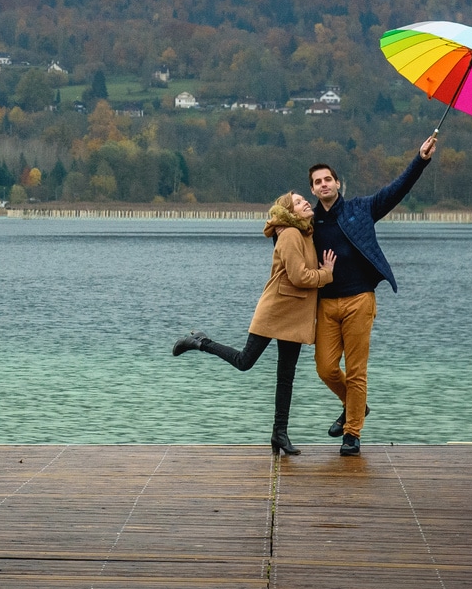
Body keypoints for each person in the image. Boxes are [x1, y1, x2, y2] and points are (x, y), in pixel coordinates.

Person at [172, 191, 336, 455]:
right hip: (276, 308)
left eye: (306, 199)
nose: (306, 202)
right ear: (289, 212)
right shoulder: (291, 234)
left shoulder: (305, 232)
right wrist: (326, 274)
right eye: (298, 202)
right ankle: (201, 342)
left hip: (295, 314)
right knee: (245, 361)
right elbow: (299, 277)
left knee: (286, 377)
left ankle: (279, 434)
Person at [308, 134, 436, 456]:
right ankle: (356, 404)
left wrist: (420, 159)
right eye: (317, 182)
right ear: (312, 189)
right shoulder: (308, 222)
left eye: (328, 179)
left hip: (359, 300)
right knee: (325, 368)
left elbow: (397, 190)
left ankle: (352, 433)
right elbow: (283, 238)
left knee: (356, 370)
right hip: (325, 304)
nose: (324, 185)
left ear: (338, 183)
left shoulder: (361, 209)